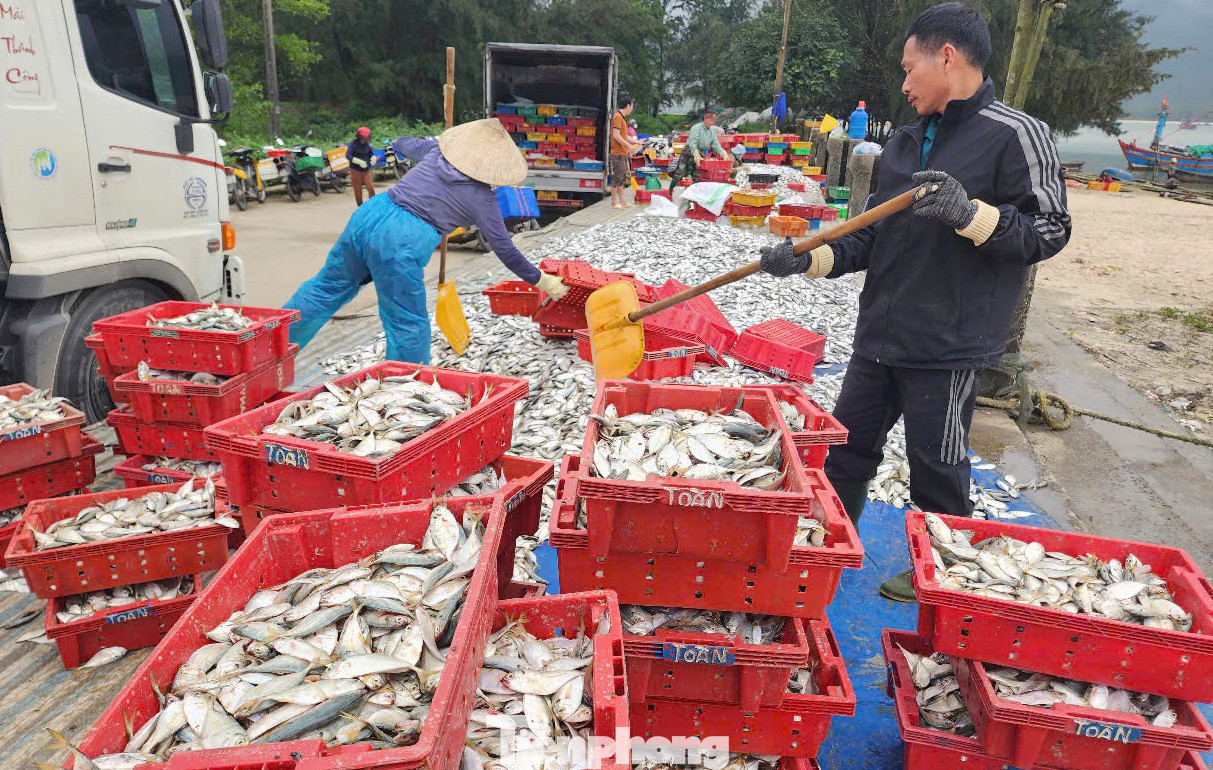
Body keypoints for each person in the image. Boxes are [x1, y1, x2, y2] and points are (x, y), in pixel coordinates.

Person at [758, 2, 1071, 602]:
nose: (903, 84)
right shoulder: (903, 144)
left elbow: (1050, 231)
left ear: (946, 57)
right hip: (878, 335)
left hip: (948, 345)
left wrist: (970, 214)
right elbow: (872, 236)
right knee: (844, 453)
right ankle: (835, 543)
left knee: (939, 468)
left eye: (910, 69)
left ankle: (945, 574)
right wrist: (808, 257)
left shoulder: (1016, 135)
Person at [285, 119, 570, 363]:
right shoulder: (483, 199)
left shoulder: (435, 151)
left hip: (370, 214)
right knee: (407, 322)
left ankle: (268, 345)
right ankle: (405, 393)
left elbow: (401, 143)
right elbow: (505, 249)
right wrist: (541, 280)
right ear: (494, 170)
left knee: (324, 288)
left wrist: (430, 143)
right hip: (401, 241)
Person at [668, 107, 730, 190]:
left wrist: (722, 153)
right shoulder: (696, 128)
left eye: (713, 120)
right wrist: (695, 153)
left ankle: (695, 196)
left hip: (700, 153)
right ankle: (670, 190)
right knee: (680, 173)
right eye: (709, 119)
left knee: (697, 176)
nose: (711, 122)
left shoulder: (712, 132)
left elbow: (716, 145)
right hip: (689, 151)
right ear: (705, 118)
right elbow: (692, 142)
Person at [610, 97, 642, 209]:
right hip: (617, 153)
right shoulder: (618, 117)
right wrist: (629, 146)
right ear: (628, 106)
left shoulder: (623, 119)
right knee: (617, 178)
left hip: (622, 152)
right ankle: (614, 203)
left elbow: (624, 136)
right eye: (632, 107)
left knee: (622, 177)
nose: (632, 109)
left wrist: (637, 141)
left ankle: (622, 201)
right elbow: (616, 135)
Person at [346, 126, 376, 206]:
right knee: (358, 190)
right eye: (366, 139)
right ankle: (360, 206)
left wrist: (373, 158)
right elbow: (348, 155)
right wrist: (357, 161)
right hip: (355, 170)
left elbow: (371, 154)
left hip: (366, 171)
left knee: (370, 188)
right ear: (360, 138)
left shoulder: (368, 146)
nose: (367, 140)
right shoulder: (352, 145)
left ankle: (372, 205)